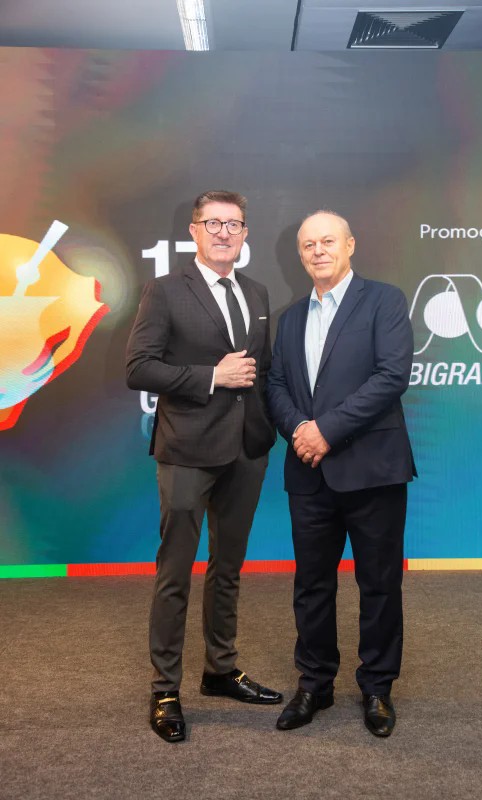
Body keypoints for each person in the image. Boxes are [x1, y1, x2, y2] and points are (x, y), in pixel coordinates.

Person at [126, 190, 281, 743]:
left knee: (228, 568)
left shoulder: (256, 292)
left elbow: (263, 372)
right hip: (187, 451)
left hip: (247, 451)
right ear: (193, 231)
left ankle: (220, 669)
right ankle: (164, 688)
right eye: (212, 223)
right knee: (175, 573)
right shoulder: (165, 290)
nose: (223, 233)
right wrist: (212, 376)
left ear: (244, 234)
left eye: (233, 224)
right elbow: (139, 368)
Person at [266, 210, 416, 737]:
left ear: (350, 245)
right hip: (309, 474)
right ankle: (315, 684)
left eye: (328, 241)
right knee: (311, 585)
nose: (318, 251)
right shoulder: (289, 319)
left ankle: (377, 687)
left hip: (373, 470)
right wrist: (299, 431)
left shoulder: (385, 301)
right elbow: (275, 386)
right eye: (309, 244)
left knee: (379, 584)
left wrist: (326, 431)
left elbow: (392, 375)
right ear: (300, 254)